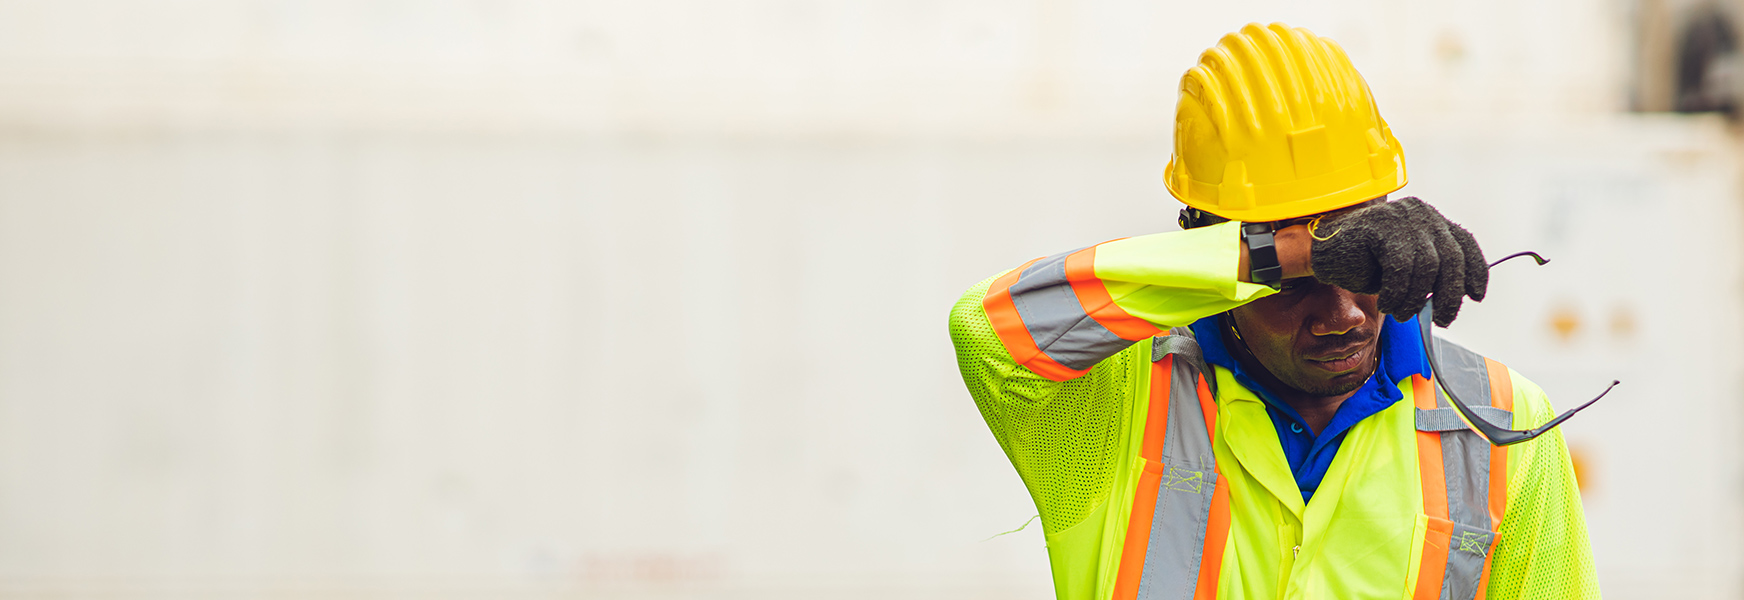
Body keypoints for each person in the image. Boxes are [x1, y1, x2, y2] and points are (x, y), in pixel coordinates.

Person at [947, 23, 1598, 600]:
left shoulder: (1500, 423)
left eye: (1361, 263)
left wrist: (1290, 254)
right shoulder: (1115, 397)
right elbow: (986, 331)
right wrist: (1279, 254)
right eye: (1298, 279)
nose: (1342, 314)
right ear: (1219, 247)